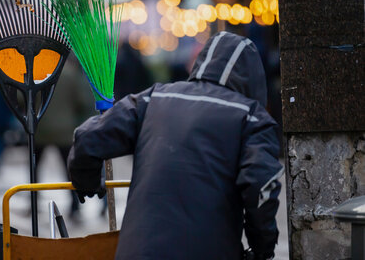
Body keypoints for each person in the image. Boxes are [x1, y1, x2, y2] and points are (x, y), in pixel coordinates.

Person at [67, 32, 282, 260]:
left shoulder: (154, 98)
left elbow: (88, 136)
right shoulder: (251, 118)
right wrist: (262, 249)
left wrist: (87, 182)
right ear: (254, 78)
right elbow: (261, 189)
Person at [35, 58, 94, 220]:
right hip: (65, 130)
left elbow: (21, 98)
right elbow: (82, 100)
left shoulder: (40, 72)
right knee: (69, 170)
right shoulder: (71, 73)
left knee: (34, 168)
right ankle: (75, 207)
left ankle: (32, 203)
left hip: (40, 128)